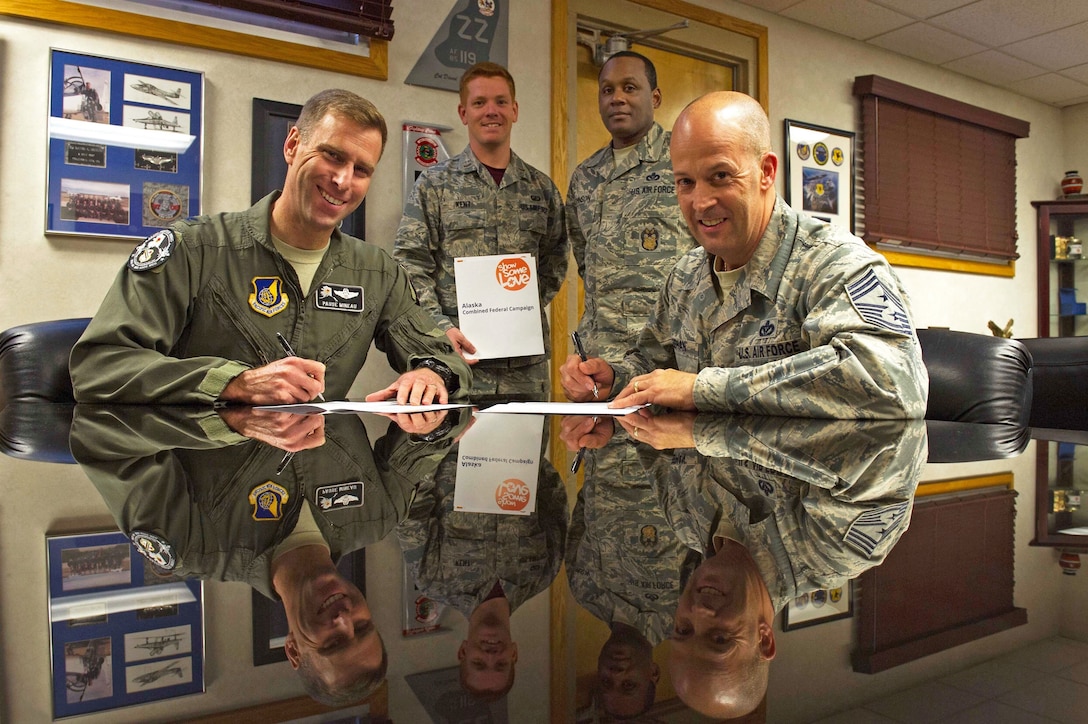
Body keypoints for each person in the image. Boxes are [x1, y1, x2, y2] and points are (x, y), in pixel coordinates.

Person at [71, 89, 470, 406]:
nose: (343, 180)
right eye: (332, 155)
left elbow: (445, 357)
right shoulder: (195, 249)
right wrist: (234, 383)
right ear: (293, 144)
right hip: (206, 480)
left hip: (327, 483)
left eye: (362, 170)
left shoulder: (377, 273)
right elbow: (100, 366)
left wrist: (431, 373)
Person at [560, 91, 928, 419]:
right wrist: (613, 379)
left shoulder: (833, 264)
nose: (701, 202)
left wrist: (702, 389)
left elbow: (891, 382)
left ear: (766, 172)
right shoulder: (686, 276)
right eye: (685, 182)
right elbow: (654, 363)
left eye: (720, 176)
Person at [394, 62, 567, 398]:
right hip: (454, 363)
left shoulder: (541, 189)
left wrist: (519, 310)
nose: (492, 111)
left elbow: (555, 260)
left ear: (515, 110)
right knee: (453, 448)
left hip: (525, 367)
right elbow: (409, 263)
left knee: (528, 449)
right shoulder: (435, 184)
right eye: (479, 103)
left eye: (501, 102)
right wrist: (440, 326)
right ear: (463, 112)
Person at [566, 50, 694, 362]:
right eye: (607, 90)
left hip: (666, 356)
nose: (617, 98)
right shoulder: (585, 175)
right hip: (596, 358)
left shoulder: (684, 160)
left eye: (630, 88)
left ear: (656, 97)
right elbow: (586, 262)